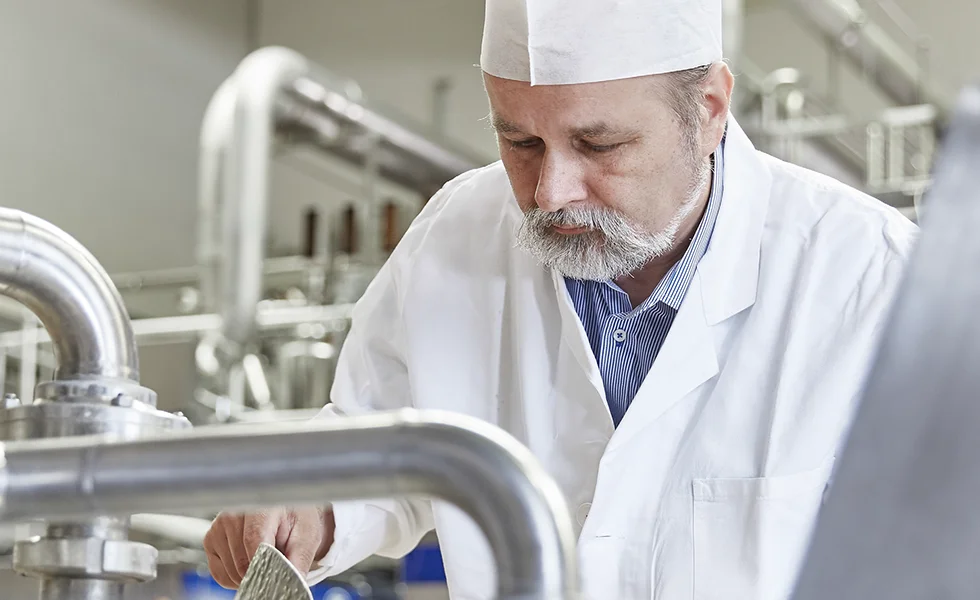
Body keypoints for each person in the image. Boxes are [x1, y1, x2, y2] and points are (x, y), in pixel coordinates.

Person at [204, 0, 918, 598]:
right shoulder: (455, 235)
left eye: (599, 145)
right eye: (520, 142)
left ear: (708, 111)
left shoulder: (874, 279)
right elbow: (387, 445)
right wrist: (314, 503)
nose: (550, 193)